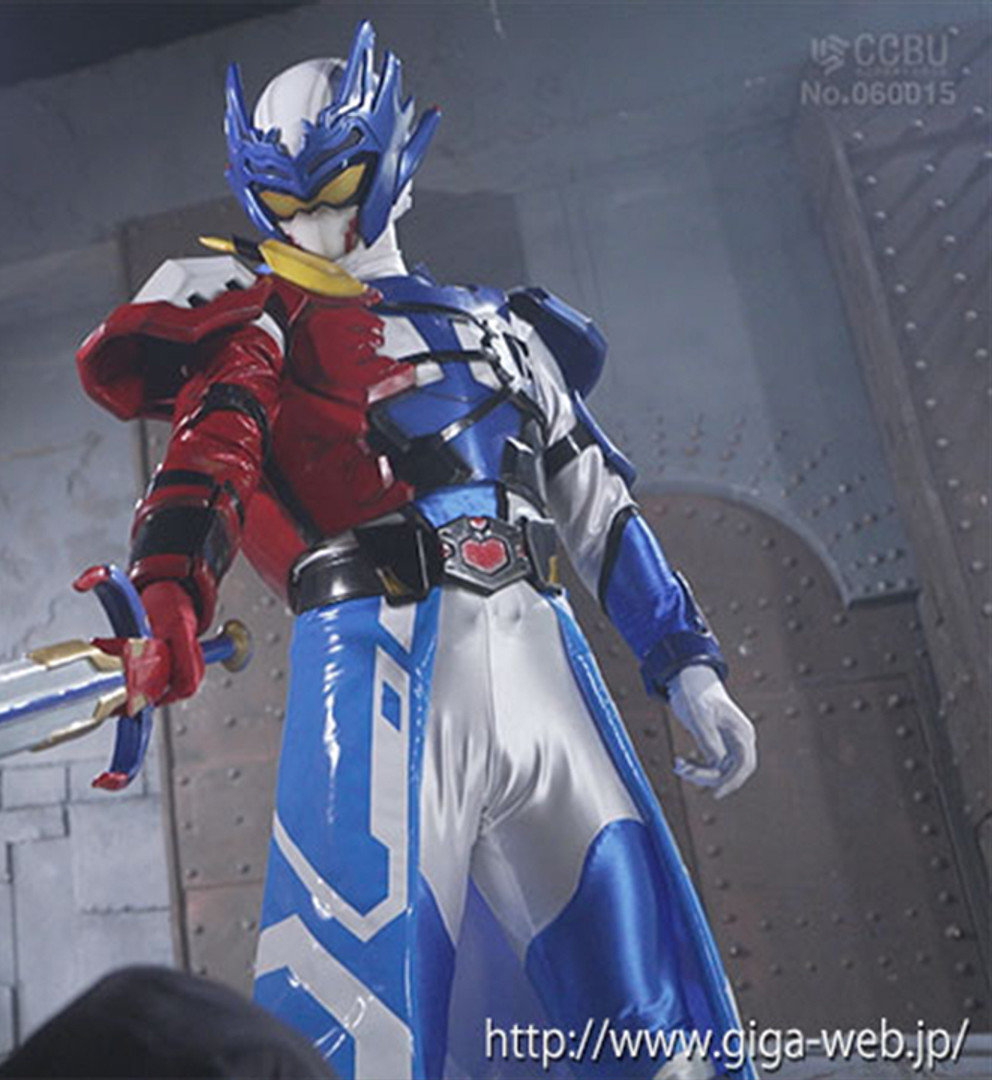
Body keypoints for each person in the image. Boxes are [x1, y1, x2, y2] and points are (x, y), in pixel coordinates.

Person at [75, 21, 757, 1080]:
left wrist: (688, 665)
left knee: (640, 1007)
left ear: (395, 158)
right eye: (284, 203)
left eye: (338, 188)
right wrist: (170, 592)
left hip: (542, 662)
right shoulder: (262, 321)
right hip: (378, 668)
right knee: (358, 1017)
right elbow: (212, 454)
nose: (315, 224)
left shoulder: (507, 330)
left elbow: (598, 507)